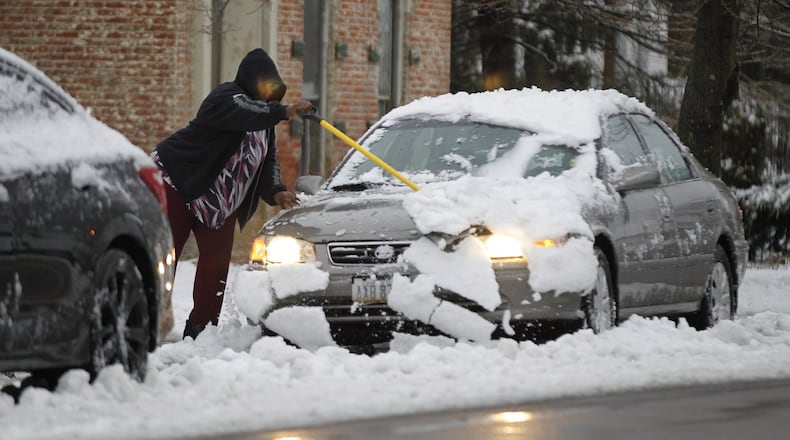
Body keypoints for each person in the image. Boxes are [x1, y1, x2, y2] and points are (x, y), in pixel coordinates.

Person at [151, 48, 314, 339]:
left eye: (273, 91)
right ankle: (143, 322)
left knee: (216, 266)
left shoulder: (265, 124)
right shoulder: (226, 98)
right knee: (165, 257)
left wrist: (277, 191)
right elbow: (245, 112)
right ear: (251, 80)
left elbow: (268, 161)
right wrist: (284, 111)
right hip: (178, 183)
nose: (268, 95)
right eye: (265, 87)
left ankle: (200, 332)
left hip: (220, 203)